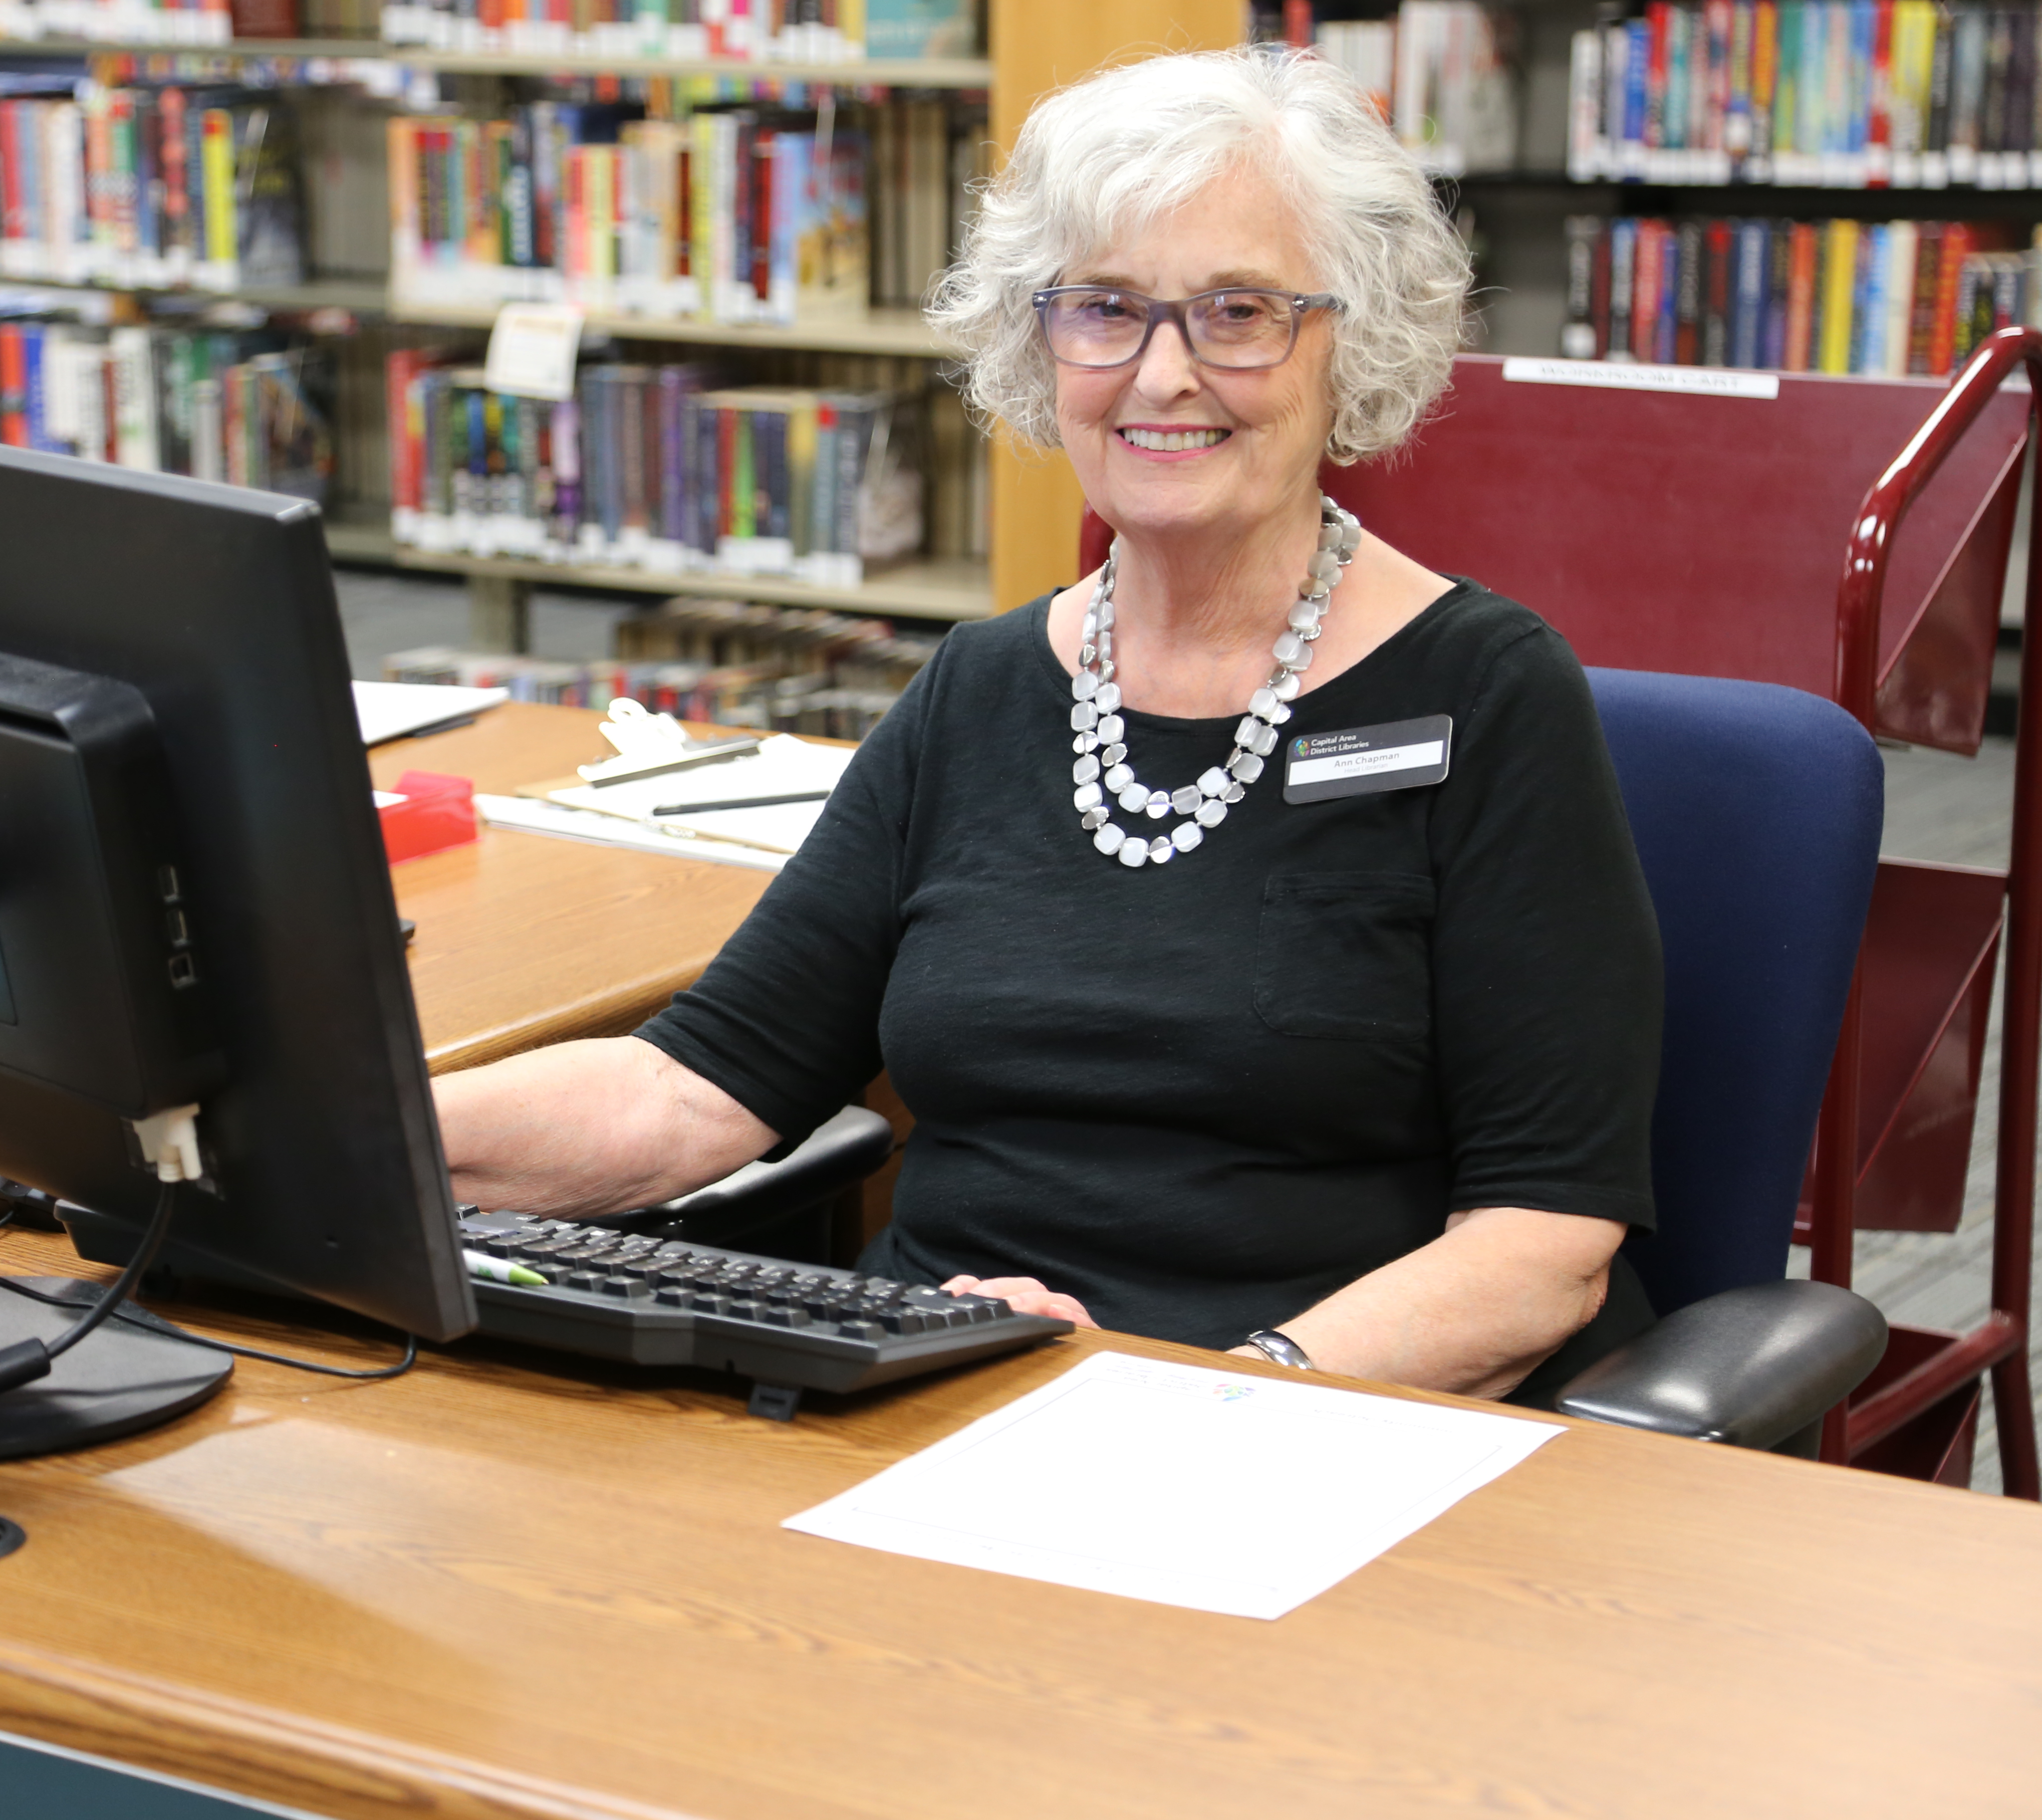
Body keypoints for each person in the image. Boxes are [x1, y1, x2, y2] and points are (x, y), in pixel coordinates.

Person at [434, 46, 1665, 1405]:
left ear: (1351, 341)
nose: (1162, 373)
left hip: (1291, 1421)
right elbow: (694, 1093)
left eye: (1238, 312)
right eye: (1105, 310)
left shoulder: (1488, 696)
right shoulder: (983, 689)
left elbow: (1544, 1244)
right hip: (932, 1388)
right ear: (1042, 343)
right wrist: (341, 1130)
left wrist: (1188, 1397)